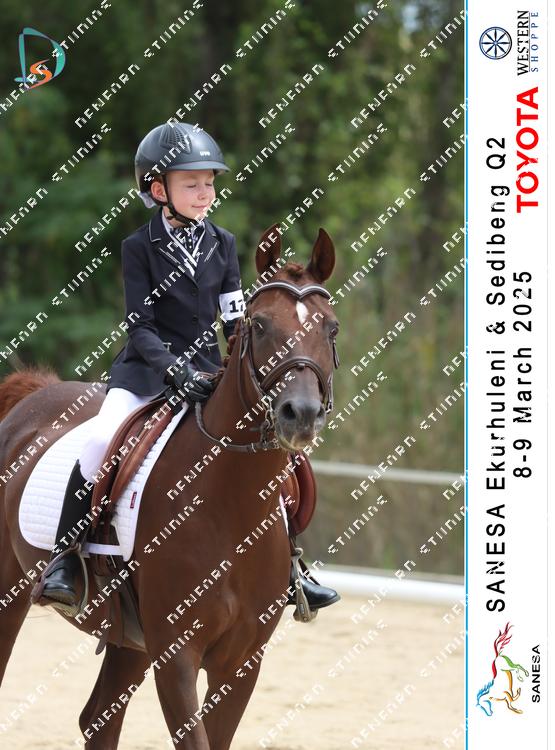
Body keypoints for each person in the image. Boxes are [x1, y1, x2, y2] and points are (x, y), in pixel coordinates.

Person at [36, 122, 339, 617]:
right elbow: (140, 327)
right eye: (192, 184)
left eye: (209, 183)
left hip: (208, 374)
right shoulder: (139, 246)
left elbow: (235, 319)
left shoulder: (223, 243)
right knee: (98, 444)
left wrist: (246, 365)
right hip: (144, 374)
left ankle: (291, 564)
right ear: (160, 190)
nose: (205, 193)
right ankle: (65, 559)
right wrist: (173, 370)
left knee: (278, 456)